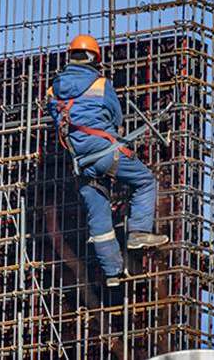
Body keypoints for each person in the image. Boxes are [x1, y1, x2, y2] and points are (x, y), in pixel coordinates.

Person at [47, 34, 168, 287]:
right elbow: (116, 117)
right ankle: (138, 232)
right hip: (104, 152)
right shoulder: (101, 84)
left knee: (99, 215)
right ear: (94, 58)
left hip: (81, 162)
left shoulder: (52, 91)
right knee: (145, 181)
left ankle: (112, 272)